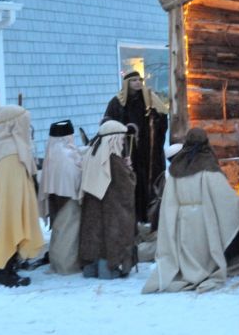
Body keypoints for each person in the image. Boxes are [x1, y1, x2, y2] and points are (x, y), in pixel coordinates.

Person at [143, 128, 239, 294]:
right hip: (203, 220)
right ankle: (202, 273)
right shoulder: (208, 167)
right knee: (203, 253)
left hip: (182, 220)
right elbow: (225, 198)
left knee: (188, 253)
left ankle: (188, 272)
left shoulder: (176, 169)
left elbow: (169, 202)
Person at [0, 105, 43, 287]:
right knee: (8, 229)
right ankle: (3, 272)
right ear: (13, 124)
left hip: (11, 202)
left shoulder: (7, 145)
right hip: (10, 205)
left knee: (8, 229)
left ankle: (5, 269)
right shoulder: (9, 151)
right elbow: (12, 185)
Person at [103, 71, 168, 222]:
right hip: (126, 151)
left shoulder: (150, 99)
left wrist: (156, 120)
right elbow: (108, 124)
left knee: (148, 182)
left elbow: (163, 116)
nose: (138, 83)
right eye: (133, 80)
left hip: (147, 151)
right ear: (127, 83)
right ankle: (132, 217)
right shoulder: (116, 102)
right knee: (131, 182)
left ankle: (149, 216)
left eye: (139, 80)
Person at [79, 120, 137, 280]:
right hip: (112, 208)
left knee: (94, 236)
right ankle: (108, 269)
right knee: (109, 237)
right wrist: (129, 170)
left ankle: (91, 268)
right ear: (114, 139)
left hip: (93, 206)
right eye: (121, 138)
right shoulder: (113, 160)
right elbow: (127, 186)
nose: (123, 142)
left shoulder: (93, 154)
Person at [37, 120, 83, 275]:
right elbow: (73, 174)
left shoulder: (53, 150)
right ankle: (66, 265)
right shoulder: (65, 153)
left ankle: (56, 263)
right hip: (68, 196)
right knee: (68, 232)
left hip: (55, 195)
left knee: (59, 230)